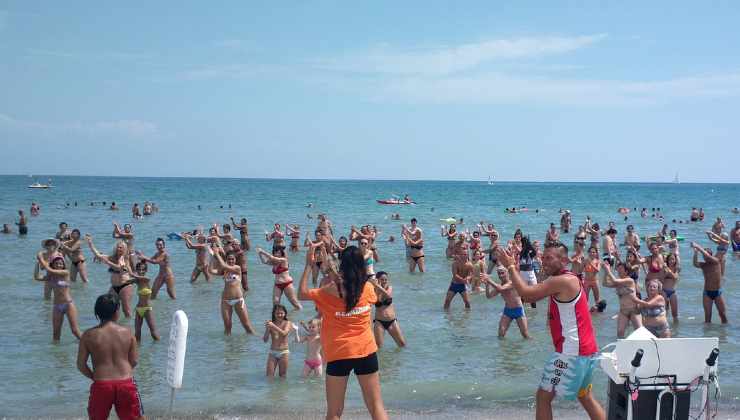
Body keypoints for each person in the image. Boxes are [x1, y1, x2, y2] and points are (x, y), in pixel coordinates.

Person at [495, 242, 605, 420]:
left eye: (549, 258)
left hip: (571, 353)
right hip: (587, 350)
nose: (543, 261)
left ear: (563, 260)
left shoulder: (561, 281)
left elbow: (527, 295)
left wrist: (510, 266)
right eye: (542, 257)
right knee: (585, 396)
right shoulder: (569, 278)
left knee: (543, 397)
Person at [297, 243, 389, 420]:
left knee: (334, 412)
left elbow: (301, 294)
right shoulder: (368, 289)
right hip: (366, 351)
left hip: (338, 353)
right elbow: (357, 291)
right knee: (376, 406)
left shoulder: (329, 291)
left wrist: (309, 265)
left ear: (342, 265)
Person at [77, 294, 144, 420]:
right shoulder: (127, 332)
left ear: (97, 312)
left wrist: (94, 376)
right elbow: (134, 361)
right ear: (117, 311)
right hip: (125, 383)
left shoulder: (88, 335)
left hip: (101, 384)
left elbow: (81, 365)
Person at [208, 243, 256, 335]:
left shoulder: (237, 268)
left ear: (235, 260)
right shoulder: (224, 270)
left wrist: (217, 253)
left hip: (238, 300)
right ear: (226, 260)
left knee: (247, 326)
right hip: (225, 300)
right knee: (227, 327)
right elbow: (211, 271)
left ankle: (257, 340)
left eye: (232, 259)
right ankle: (228, 348)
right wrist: (212, 256)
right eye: (229, 259)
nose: (231, 261)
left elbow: (224, 265)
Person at [86, 236, 136, 318]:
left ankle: (130, 328)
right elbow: (98, 255)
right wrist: (91, 244)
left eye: (121, 248)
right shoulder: (112, 258)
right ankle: (115, 325)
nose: (119, 249)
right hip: (114, 287)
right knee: (110, 308)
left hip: (125, 286)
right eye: (118, 247)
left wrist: (108, 262)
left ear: (124, 249)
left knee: (126, 310)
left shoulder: (124, 258)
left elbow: (120, 268)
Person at [35, 255, 82, 341]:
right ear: (53, 264)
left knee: (74, 330)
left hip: (68, 304)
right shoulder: (51, 277)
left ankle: (87, 344)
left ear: (63, 265)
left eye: (61, 263)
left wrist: (41, 258)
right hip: (57, 306)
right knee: (56, 334)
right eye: (56, 263)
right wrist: (37, 263)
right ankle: (57, 354)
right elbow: (36, 277)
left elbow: (49, 270)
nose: (59, 265)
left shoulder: (65, 272)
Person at [482, 265, 530, 338]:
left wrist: (489, 279)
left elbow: (501, 289)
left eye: (502, 273)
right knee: (501, 333)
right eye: (499, 274)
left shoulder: (512, 283)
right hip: (507, 311)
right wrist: (487, 285)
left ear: (507, 273)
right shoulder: (500, 285)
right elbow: (489, 296)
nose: (501, 275)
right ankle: (503, 349)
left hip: (518, 310)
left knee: (525, 335)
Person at [601, 261, 642, 338]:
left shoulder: (630, 280)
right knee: (620, 333)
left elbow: (615, 281)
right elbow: (604, 283)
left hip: (634, 310)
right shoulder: (618, 282)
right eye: (618, 268)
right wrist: (606, 272)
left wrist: (608, 270)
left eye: (621, 268)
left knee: (639, 332)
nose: (618, 270)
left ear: (626, 271)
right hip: (623, 311)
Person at [256, 246, 303, 310]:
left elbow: (272, 257)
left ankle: (300, 314)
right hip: (277, 285)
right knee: (275, 302)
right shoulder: (274, 262)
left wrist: (262, 251)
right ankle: (276, 318)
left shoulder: (284, 260)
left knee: (294, 302)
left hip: (287, 284)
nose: (276, 254)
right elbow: (264, 261)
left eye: (278, 253)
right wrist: (259, 253)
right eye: (275, 253)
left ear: (281, 253)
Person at [692, 242, 728, 324]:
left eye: (706, 255)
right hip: (707, 293)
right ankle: (708, 334)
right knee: (707, 318)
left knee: (722, 315)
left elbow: (708, 256)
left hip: (717, 292)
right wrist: (695, 252)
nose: (705, 257)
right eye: (704, 256)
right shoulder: (704, 265)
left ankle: (724, 334)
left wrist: (698, 246)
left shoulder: (716, 261)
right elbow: (695, 264)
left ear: (711, 256)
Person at [370, 271, 406, 348]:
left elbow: (388, 295)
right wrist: (377, 287)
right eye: (382, 279)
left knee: (402, 344)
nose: (384, 281)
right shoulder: (373, 290)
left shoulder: (389, 287)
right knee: (378, 347)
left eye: (386, 279)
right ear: (377, 280)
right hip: (379, 322)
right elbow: (377, 301)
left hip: (392, 321)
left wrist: (377, 286)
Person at [263, 304, 297, 378]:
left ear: (285, 314)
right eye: (277, 313)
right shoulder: (271, 323)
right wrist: (267, 329)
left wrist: (273, 326)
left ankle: (282, 390)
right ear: (274, 314)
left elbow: (284, 333)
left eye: (281, 313)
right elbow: (265, 340)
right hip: (272, 352)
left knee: (282, 376)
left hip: (284, 352)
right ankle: (271, 389)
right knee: (269, 376)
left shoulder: (288, 323)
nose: (280, 315)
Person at [129, 261, 160, 342]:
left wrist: (131, 273)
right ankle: (137, 350)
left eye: (143, 270)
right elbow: (126, 281)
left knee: (153, 333)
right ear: (137, 270)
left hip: (147, 309)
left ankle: (160, 349)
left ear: (146, 271)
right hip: (138, 309)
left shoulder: (147, 279)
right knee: (137, 333)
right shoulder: (137, 281)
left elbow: (134, 276)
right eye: (139, 269)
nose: (141, 271)